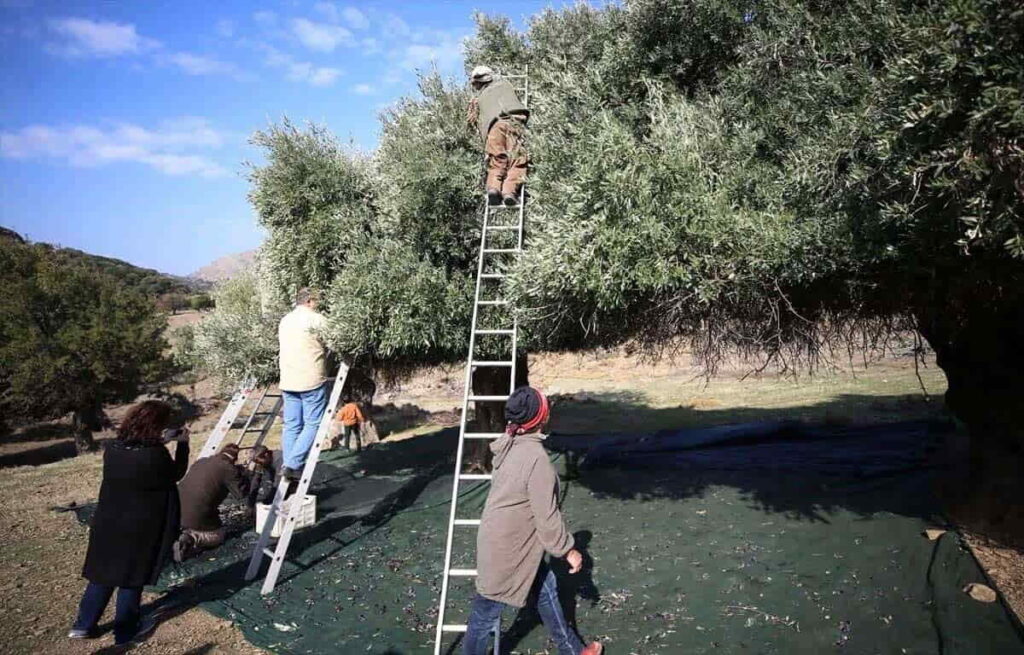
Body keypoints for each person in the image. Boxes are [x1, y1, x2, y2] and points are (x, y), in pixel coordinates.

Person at [463, 386, 602, 655]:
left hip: (512, 543)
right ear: (541, 417)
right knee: (484, 616)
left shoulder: (509, 444)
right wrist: (568, 550)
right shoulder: (536, 459)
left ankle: (572, 651)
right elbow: (547, 518)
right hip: (506, 550)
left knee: (546, 587)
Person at [68, 401, 189, 645]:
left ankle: (83, 626)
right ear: (156, 426)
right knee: (132, 578)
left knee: (102, 576)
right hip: (139, 526)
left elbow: (135, 458)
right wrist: (183, 445)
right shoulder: (156, 455)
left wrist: (160, 441)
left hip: (108, 522)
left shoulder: (112, 448)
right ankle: (125, 631)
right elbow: (174, 474)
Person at [172, 443, 260, 562]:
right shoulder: (228, 469)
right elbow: (241, 494)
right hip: (195, 517)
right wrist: (248, 474)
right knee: (219, 535)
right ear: (234, 459)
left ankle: (181, 533)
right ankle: (191, 538)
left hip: (176, 512)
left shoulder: (201, 461)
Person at [278, 287, 329, 481]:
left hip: (288, 380)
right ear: (309, 301)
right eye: (316, 300)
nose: (318, 304)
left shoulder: (285, 320)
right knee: (313, 423)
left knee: (291, 425)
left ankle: (287, 464)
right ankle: (293, 464)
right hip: (310, 380)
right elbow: (334, 339)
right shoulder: (316, 319)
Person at [466, 65, 530, 206]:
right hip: (513, 122)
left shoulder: (480, 99)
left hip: (493, 128)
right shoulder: (505, 84)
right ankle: (509, 191)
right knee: (517, 159)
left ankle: (494, 189)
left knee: (497, 160)